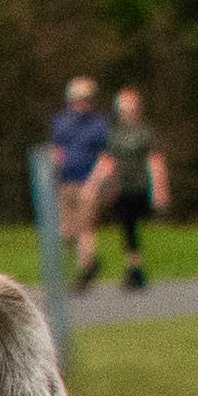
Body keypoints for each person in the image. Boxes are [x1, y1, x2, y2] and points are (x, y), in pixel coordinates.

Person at [99, 84, 172, 289]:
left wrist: (159, 188)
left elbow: (155, 160)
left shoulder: (145, 132)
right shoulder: (114, 134)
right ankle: (134, 268)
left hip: (141, 185)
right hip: (121, 186)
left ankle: (137, 268)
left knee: (137, 226)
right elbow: (108, 160)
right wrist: (103, 184)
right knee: (127, 227)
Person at [50, 75, 112, 282]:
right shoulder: (61, 122)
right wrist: (54, 172)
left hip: (88, 181)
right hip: (65, 181)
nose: (83, 102)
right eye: (79, 98)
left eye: (87, 98)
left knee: (85, 226)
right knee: (66, 231)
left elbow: (105, 157)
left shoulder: (99, 125)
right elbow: (57, 150)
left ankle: (86, 267)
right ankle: (86, 262)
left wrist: (95, 184)